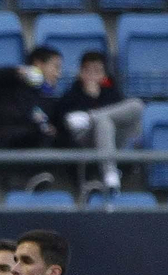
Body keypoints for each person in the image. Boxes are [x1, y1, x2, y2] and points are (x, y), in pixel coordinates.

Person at [58, 51, 142, 199]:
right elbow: (66, 124)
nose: (92, 76)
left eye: (97, 71)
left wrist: (91, 114)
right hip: (85, 141)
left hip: (114, 140)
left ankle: (90, 117)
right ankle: (110, 173)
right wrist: (89, 98)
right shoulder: (71, 94)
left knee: (137, 105)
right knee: (104, 122)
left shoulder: (112, 92)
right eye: (88, 71)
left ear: (104, 75)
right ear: (80, 73)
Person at [0, 47, 63, 191]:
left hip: (36, 145)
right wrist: (15, 72)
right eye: (55, 67)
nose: (58, 74)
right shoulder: (11, 85)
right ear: (38, 64)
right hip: (11, 141)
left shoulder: (48, 99)